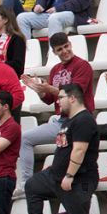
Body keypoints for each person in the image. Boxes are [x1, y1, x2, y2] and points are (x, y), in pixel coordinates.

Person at [18, 84, 99, 214]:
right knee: (32, 185)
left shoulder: (84, 120)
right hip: (55, 176)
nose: (58, 101)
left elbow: (79, 150)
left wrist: (69, 175)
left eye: (61, 97)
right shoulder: (69, 120)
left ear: (73, 98)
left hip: (77, 179)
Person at [18, 33, 93, 192]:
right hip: (61, 121)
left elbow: (75, 94)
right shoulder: (55, 69)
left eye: (66, 46)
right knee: (24, 138)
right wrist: (38, 90)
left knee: (27, 139)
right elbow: (49, 100)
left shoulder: (82, 65)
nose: (65, 51)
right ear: (54, 52)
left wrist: (49, 88)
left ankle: (29, 184)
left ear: (70, 44)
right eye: (60, 49)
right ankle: (26, 184)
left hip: (78, 121)